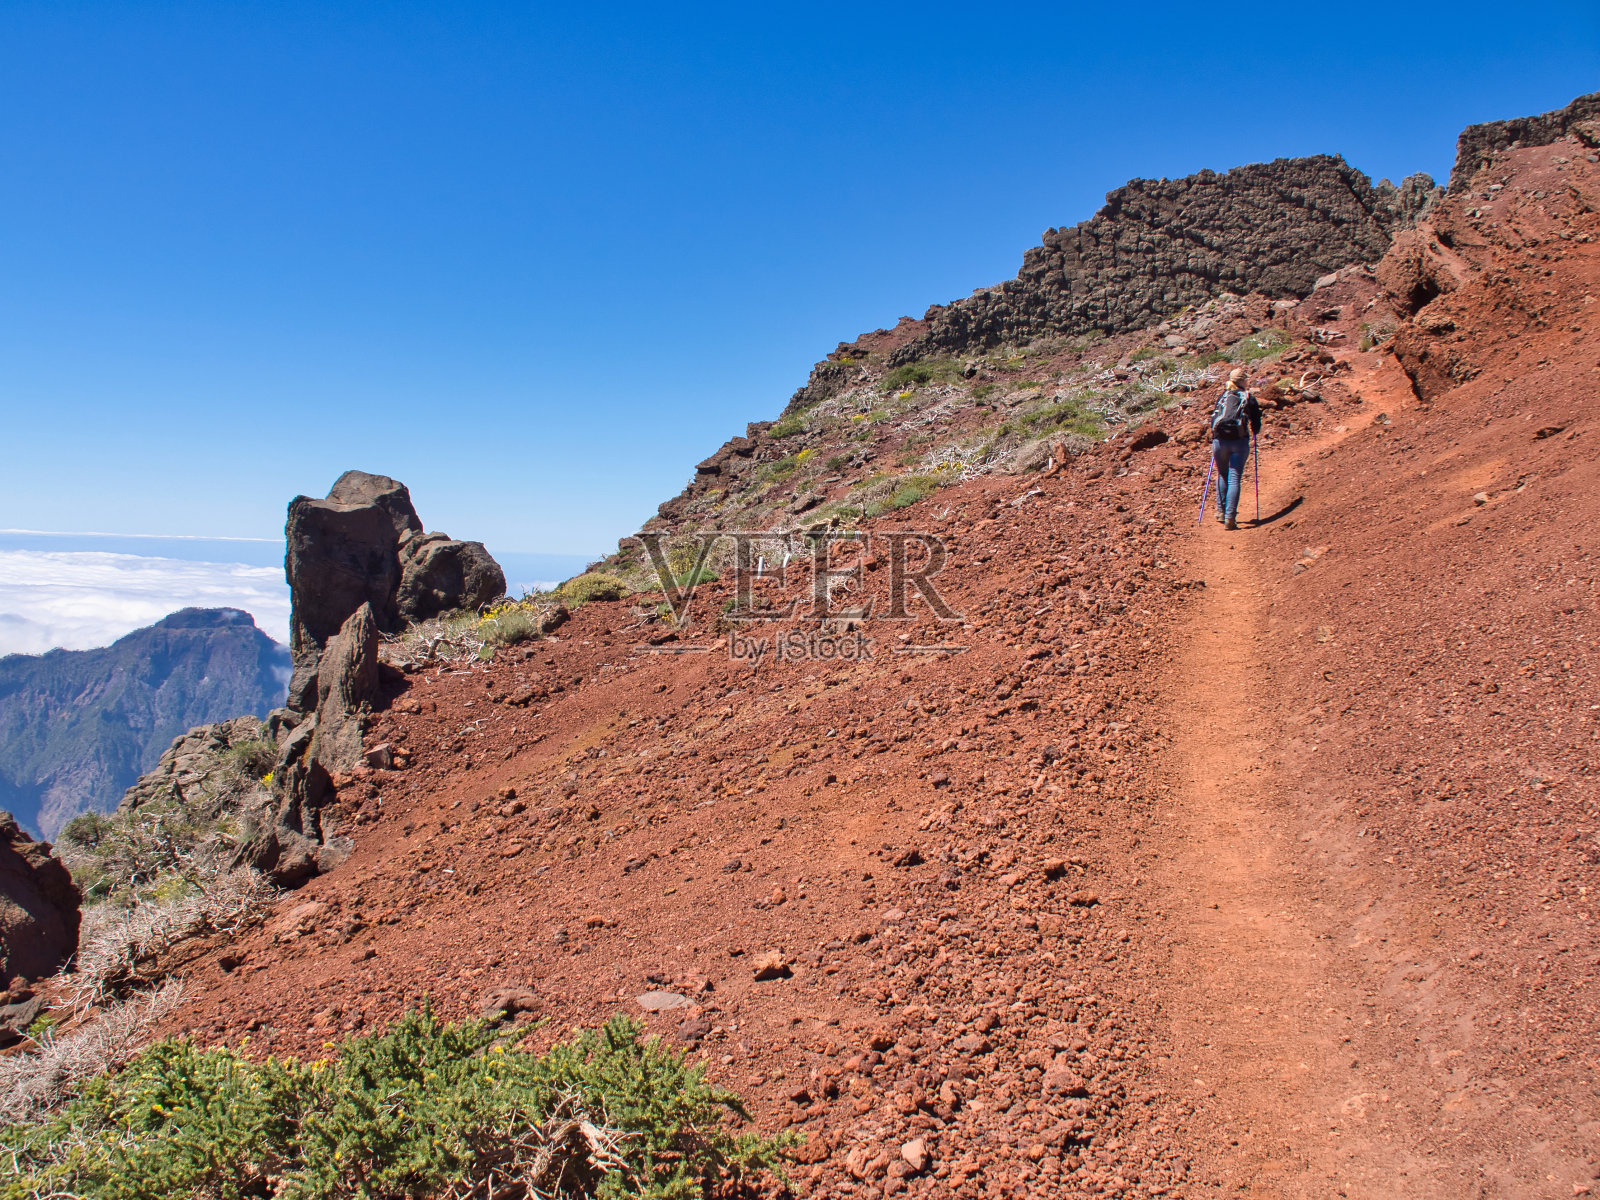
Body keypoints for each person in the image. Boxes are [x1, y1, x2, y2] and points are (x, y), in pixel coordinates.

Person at [1210, 367, 1262, 530]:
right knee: (1234, 478)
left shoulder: (1223, 396)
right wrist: (1254, 430)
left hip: (1219, 442)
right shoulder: (1248, 397)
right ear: (1242, 381)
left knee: (1222, 474)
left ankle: (1220, 511)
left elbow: (1214, 417)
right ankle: (1230, 518)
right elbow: (1256, 422)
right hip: (1239, 442)